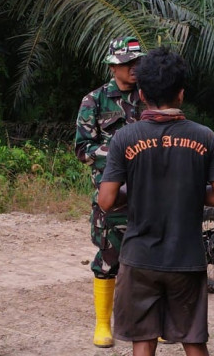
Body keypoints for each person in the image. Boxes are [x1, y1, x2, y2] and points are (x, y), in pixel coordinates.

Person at [97, 47, 214, 356]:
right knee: (193, 338)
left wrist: (138, 192)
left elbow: (106, 200)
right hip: (185, 257)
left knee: (142, 339)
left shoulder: (125, 138)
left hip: (139, 256)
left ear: (142, 93)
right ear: (181, 94)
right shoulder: (204, 137)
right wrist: (186, 192)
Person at [75, 36, 146, 347]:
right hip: (112, 193)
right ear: (112, 66)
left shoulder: (150, 98)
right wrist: (119, 151)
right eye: (127, 63)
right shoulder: (95, 100)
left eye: (137, 62)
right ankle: (104, 324)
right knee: (108, 257)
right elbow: (82, 149)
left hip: (150, 191)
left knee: (147, 260)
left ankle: (145, 324)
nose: (134, 68)